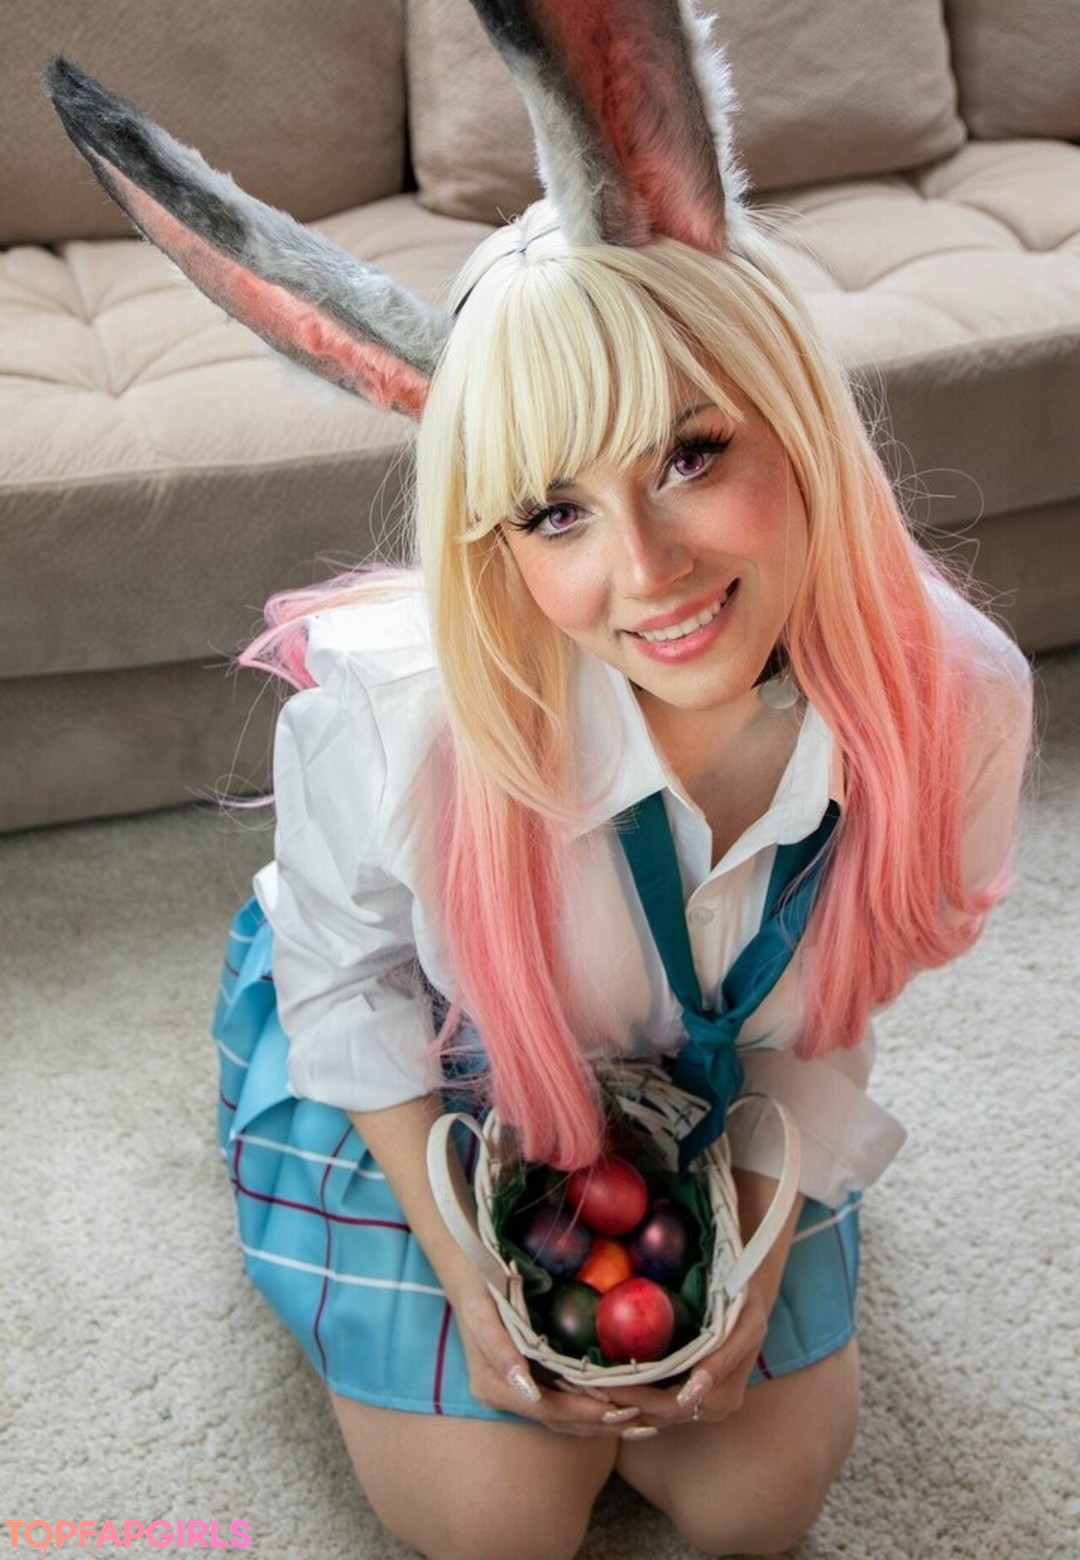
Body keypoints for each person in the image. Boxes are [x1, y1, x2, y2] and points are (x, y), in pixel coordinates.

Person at [49, 7, 1033, 1557]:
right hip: (433, 1053)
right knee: (502, 1520)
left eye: (691, 455)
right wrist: (467, 1272)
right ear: (491, 538)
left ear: (793, 411)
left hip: (716, 1070)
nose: (646, 572)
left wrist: (753, 1254)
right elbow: (350, 981)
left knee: (755, 1502)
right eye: (553, 512)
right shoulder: (402, 719)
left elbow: (830, 1012)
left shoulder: (953, 704)